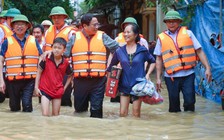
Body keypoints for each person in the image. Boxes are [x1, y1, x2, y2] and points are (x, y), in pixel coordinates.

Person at [154, 10, 212, 113]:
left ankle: (189, 125)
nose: (171, 23)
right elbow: (158, 58)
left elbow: (199, 51)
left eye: (174, 21)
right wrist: (158, 78)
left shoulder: (188, 33)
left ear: (179, 22)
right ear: (166, 23)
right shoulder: (161, 38)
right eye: (169, 21)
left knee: (190, 103)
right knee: (174, 107)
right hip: (171, 77)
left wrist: (207, 68)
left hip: (188, 75)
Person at [64, 13, 118, 118]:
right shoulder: (74, 38)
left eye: (97, 24)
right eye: (94, 25)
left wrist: (112, 66)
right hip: (80, 81)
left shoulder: (103, 36)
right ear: (84, 26)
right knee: (80, 111)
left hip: (98, 81)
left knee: (96, 112)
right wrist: (48, 53)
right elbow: (64, 54)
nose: (97, 27)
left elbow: (118, 50)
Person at [107, 23, 155, 117]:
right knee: (122, 113)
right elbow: (111, 68)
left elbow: (152, 61)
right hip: (124, 85)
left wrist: (148, 74)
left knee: (136, 113)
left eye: (128, 32)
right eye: (124, 32)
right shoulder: (119, 51)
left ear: (136, 34)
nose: (125, 34)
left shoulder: (142, 50)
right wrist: (109, 85)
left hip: (138, 86)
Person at [0, 14, 43, 112]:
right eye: (17, 24)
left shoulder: (33, 40)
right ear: (13, 27)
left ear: (27, 26)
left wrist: (38, 79)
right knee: (14, 107)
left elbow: (41, 55)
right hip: (12, 80)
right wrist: (1, 81)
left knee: (27, 105)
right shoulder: (7, 41)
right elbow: (1, 60)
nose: (19, 27)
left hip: (29, 80)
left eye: (22, 24)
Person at [34, 37, 73, 116]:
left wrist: (64, 88)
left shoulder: (65, 63)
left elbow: (70, 75)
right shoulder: (46, 59)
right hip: (45, 89)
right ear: (52, 48)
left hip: (57, 91)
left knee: (56, 115)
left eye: (59, 48)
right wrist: (36, 87)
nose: (56, 50)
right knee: (45, 115)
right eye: (54, 47)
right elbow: (39, 72)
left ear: (64, 50)